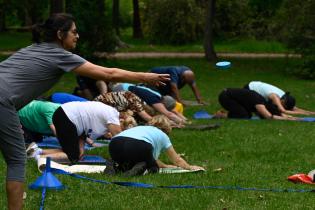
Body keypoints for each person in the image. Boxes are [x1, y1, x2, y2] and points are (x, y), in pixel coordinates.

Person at [0, 13, 169, 210]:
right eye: (74, 32)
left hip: (6, 103)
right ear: (60, 34)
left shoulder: (32, 49)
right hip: (3, 102)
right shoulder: (60, 55)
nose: (77, 36)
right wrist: (145, 77)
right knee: (16, 161)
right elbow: (109, 73)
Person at [26, 101, 136, 162]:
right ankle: (38, 158)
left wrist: (81, 148)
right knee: (72, 157)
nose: (120, 130)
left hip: (67, 116)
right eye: (123, 129)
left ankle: (38, 150)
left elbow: (85, 130)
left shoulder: (109, 116)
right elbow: (119, 140)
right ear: (121, 121)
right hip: (67, 117)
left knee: (75, 152)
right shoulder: (113, 116)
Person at [107, 115, 205, 176]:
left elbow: (153, 158)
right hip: (138, 145)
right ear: (167, 128)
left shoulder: (141, 128)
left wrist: (165, 165)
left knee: (127, 162)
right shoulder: (163, 135)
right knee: (153, 168)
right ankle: (142, 167)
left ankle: (115, 165)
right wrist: (189, 167)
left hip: (115, 144)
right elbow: (176, 160)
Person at [112, 83, 187, 125]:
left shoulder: (159, 96)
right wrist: (179, 123)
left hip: (124, 85)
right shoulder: (154, 100)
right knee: (143, 112)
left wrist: (183, 120)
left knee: (148, 111)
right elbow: (169, 114)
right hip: (121, 90)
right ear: (163, 104)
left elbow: (172, 112)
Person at [215, 88, 299, 120]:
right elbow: (269, 117)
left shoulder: (263, 103)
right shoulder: (260, 105)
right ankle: (221, 115)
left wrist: (287, 116)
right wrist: (287, 119)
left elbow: (276, 113)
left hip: (233, 97)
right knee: (243, 115)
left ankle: (224, 113)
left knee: (248, 115)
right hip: (225, 97)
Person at [244, 81, 315, 115]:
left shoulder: (284, 96)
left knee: (271, 107)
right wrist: (304, 115)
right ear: (283, 101)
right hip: (249, 88)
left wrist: (311, 113)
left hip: (256, 85)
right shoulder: (275, 96)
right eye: (284, 105)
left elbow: (294, 108)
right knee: (267, 108)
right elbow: (283, 110)